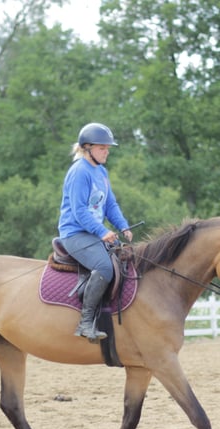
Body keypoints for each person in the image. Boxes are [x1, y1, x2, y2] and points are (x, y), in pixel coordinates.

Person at [58, 122, 133, 342]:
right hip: (75, 234)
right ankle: (85, 323)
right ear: (87, 148)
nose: (107, 152)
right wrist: (101, 231)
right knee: (104, 267)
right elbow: (79, 210)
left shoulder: (101, 171)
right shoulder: (79, 172)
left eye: (108, 148)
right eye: (103, 148)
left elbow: (110, 205)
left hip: (92, 234)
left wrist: (123, 225)